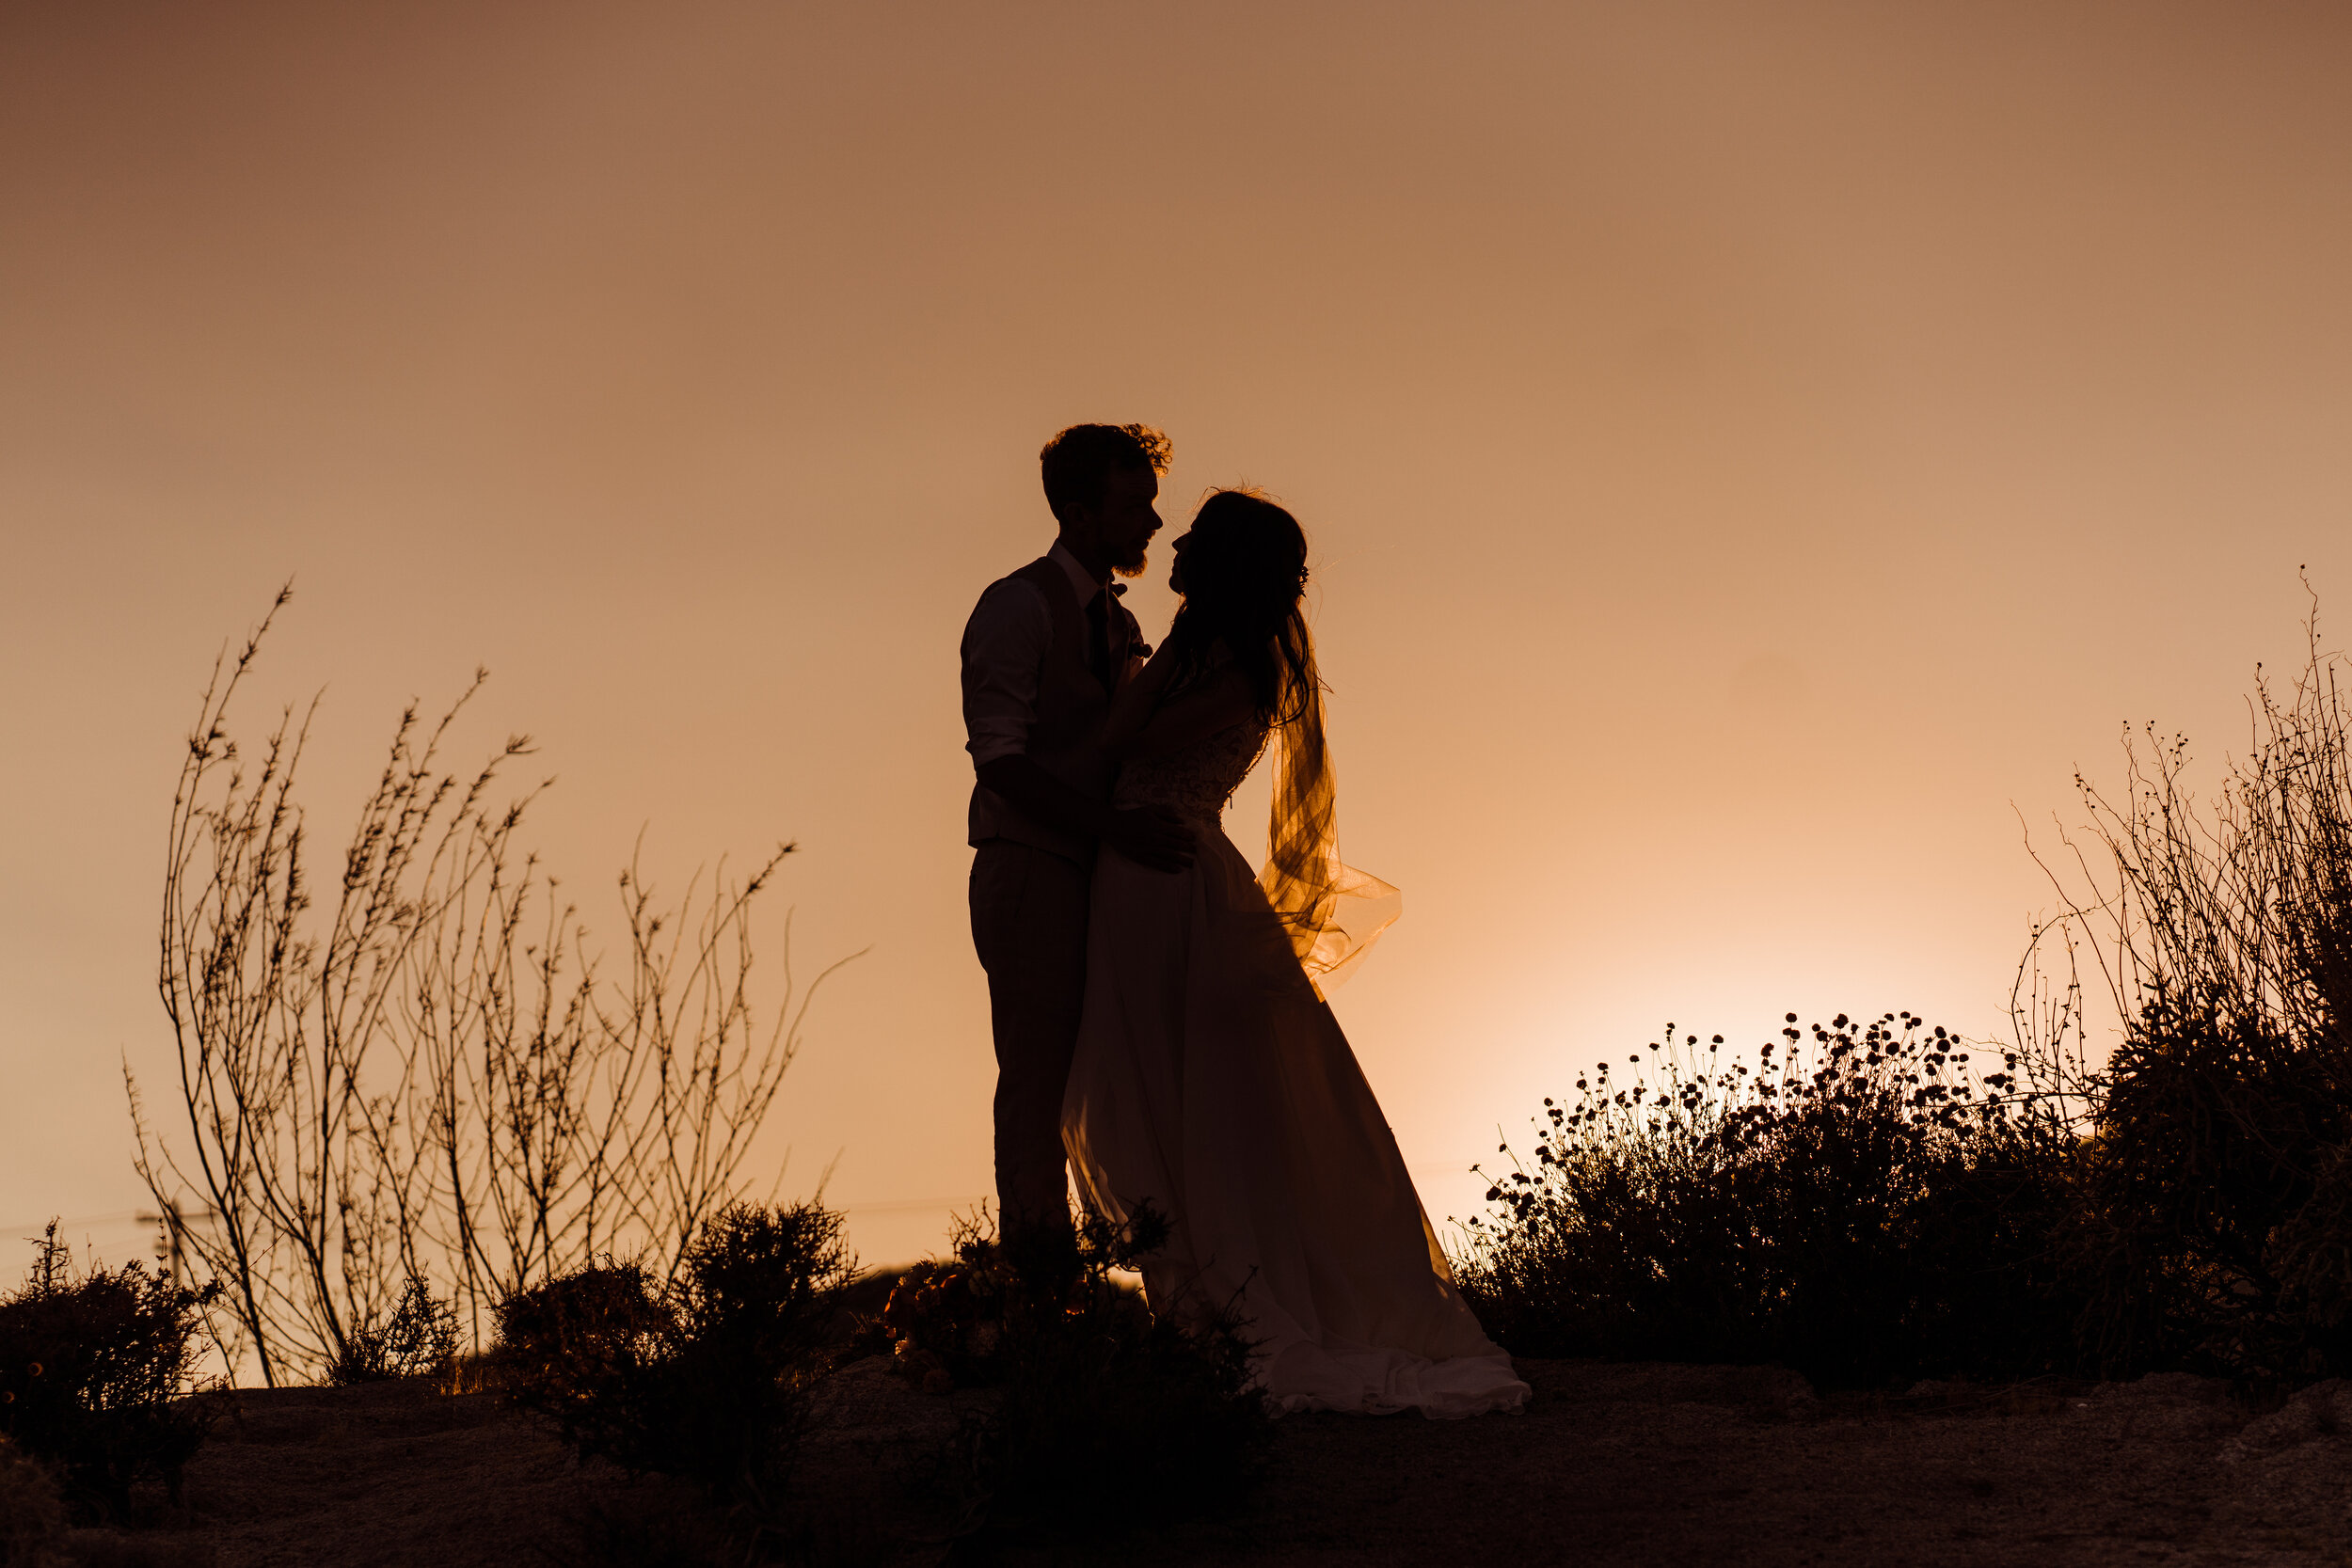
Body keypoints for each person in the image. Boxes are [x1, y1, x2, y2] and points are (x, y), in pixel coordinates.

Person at [1062, 488, 1530, 1418]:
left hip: (1175, 885)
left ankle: (1237, 1308)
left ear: (1226, 562)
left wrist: (1132, 669)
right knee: (1150, 1085)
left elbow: (1120, 739)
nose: (1179, 544)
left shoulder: (1236, 663)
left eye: (1196, 536)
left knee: (1196, 1098)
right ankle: (1195, 1302)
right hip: (1141, 880)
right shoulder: (1199, 651)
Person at [960, 422, 1195, 1271]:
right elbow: (1001, 762)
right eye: (1134, 506)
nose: (1153, 524)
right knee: (1035, 1079)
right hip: (1029, 867)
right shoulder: (1016, 607)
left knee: (1098, 1077)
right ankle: (1039, 1284)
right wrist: (1117, 829)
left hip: (1096, 872)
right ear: (1076, 507)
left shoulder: (1118, 621)